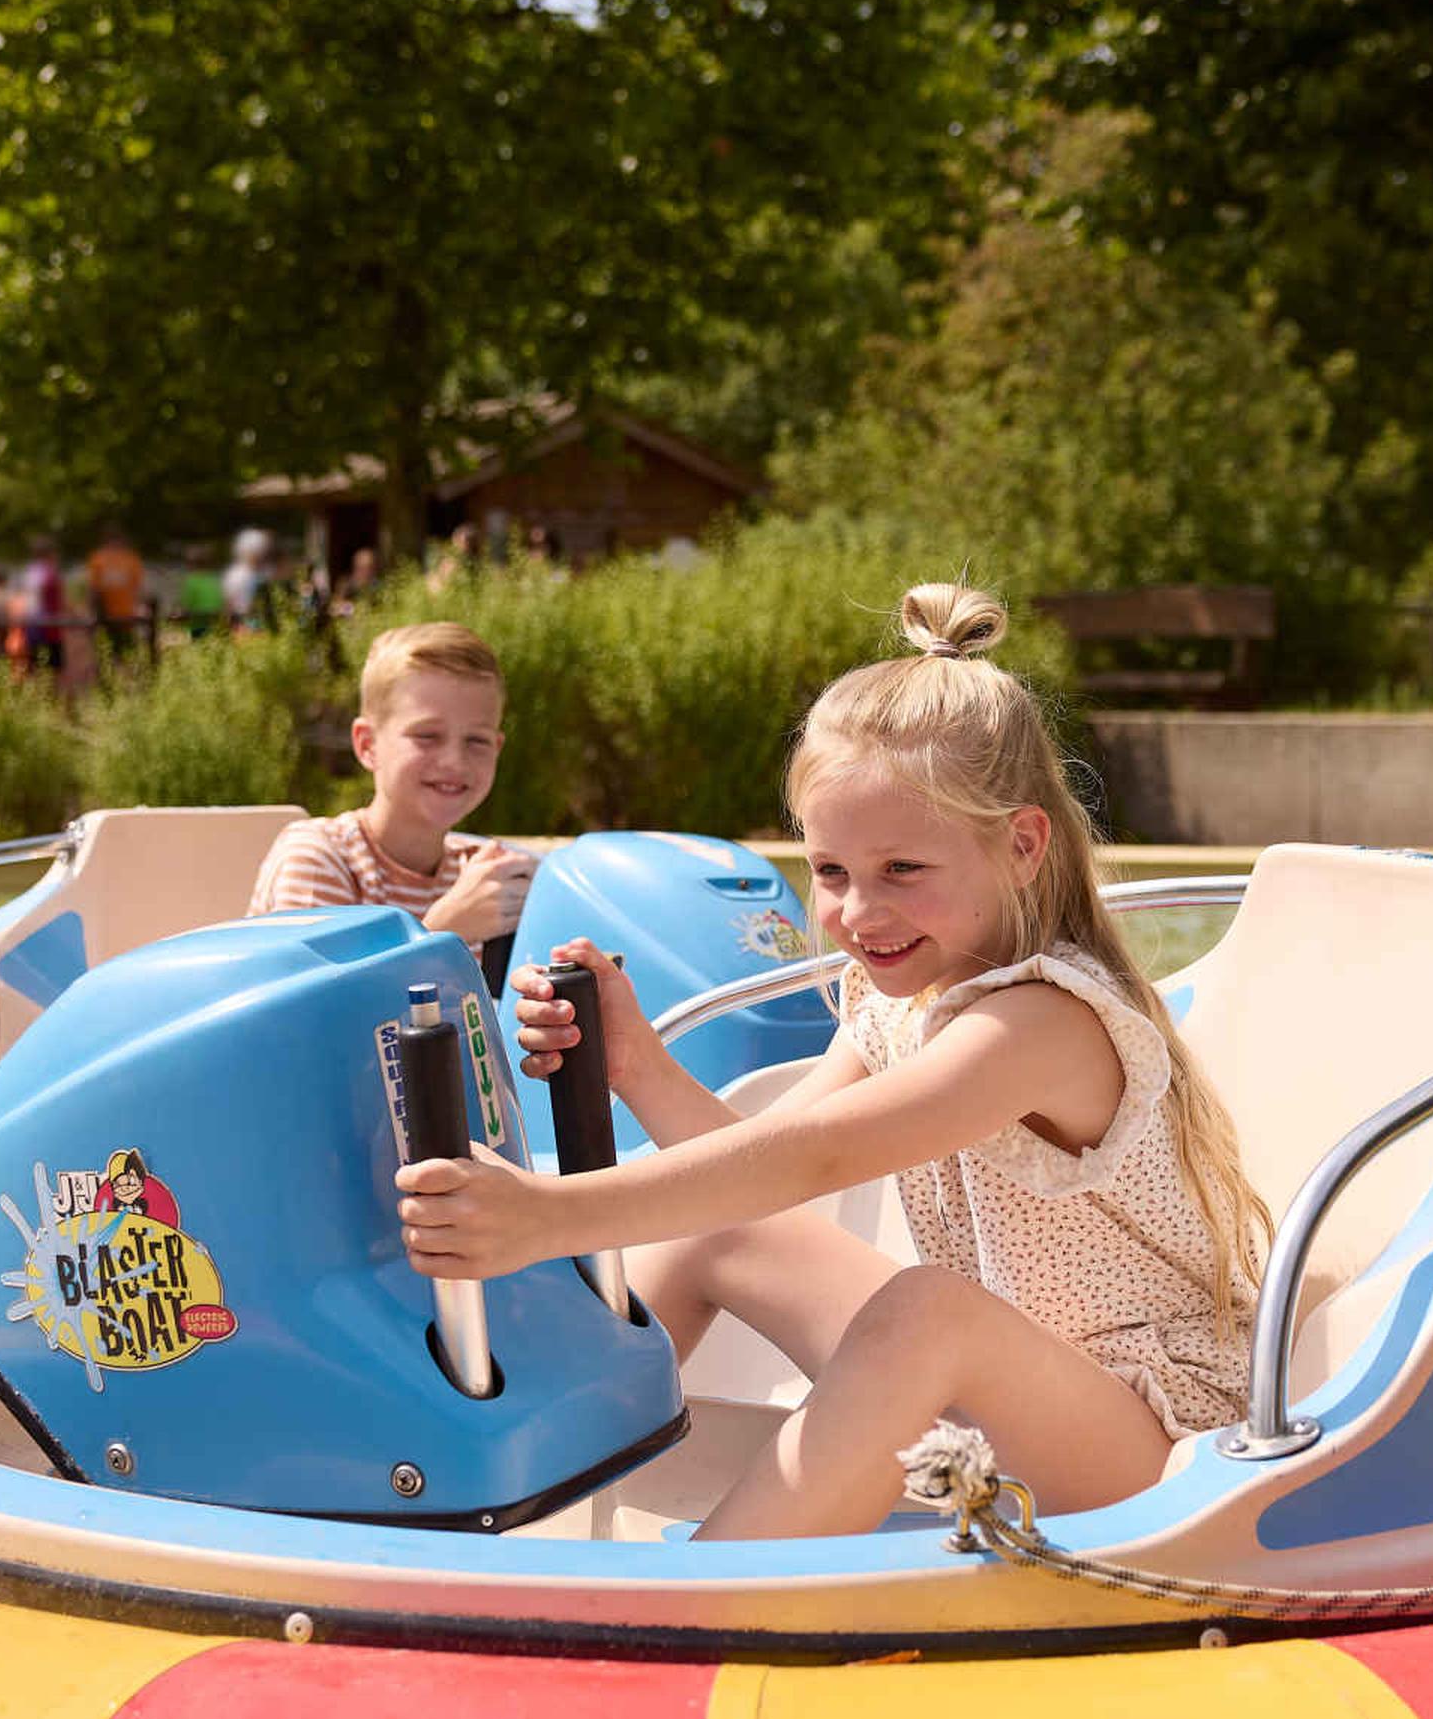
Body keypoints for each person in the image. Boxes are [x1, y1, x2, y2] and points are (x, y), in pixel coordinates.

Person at [398, 584, 1268, 1541]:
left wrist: (544, 1217)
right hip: (999, 1388)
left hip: (1143, 1432)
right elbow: (765, 1177)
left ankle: (704, 1599)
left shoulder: (1042, 1023)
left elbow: (816, 1159)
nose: (858, 914)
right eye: (831, 872)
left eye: (903, 871)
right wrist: (636, 1065)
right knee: (717, 1231)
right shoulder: (903, 998)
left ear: (1021, 846)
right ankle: (517, 1514)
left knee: (926, 1311)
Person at [245, 620, 532, 951]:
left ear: (497, 748)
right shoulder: (321, 858)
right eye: (427, 736)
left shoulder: (482, 873)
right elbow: (318, 998)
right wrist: (442, 930)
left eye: (476, 740)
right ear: (367, 745)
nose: (455, 760)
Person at [85, 523, 150, 668]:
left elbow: (93, 590)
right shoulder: (131, 559)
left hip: (108, 617)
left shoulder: (98, 559)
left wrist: (89, 613)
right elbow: (140, 590)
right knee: (127, 657)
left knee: (106, 656)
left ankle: (110, 686)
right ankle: (125, 686)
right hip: (125, 617)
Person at [13, 534, 69, 676]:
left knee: (36, 670)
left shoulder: (29, 573)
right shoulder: (48, 573)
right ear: (49, 554)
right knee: (51, 672)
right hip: (47, 629)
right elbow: (56, 601)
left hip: (34, 627)